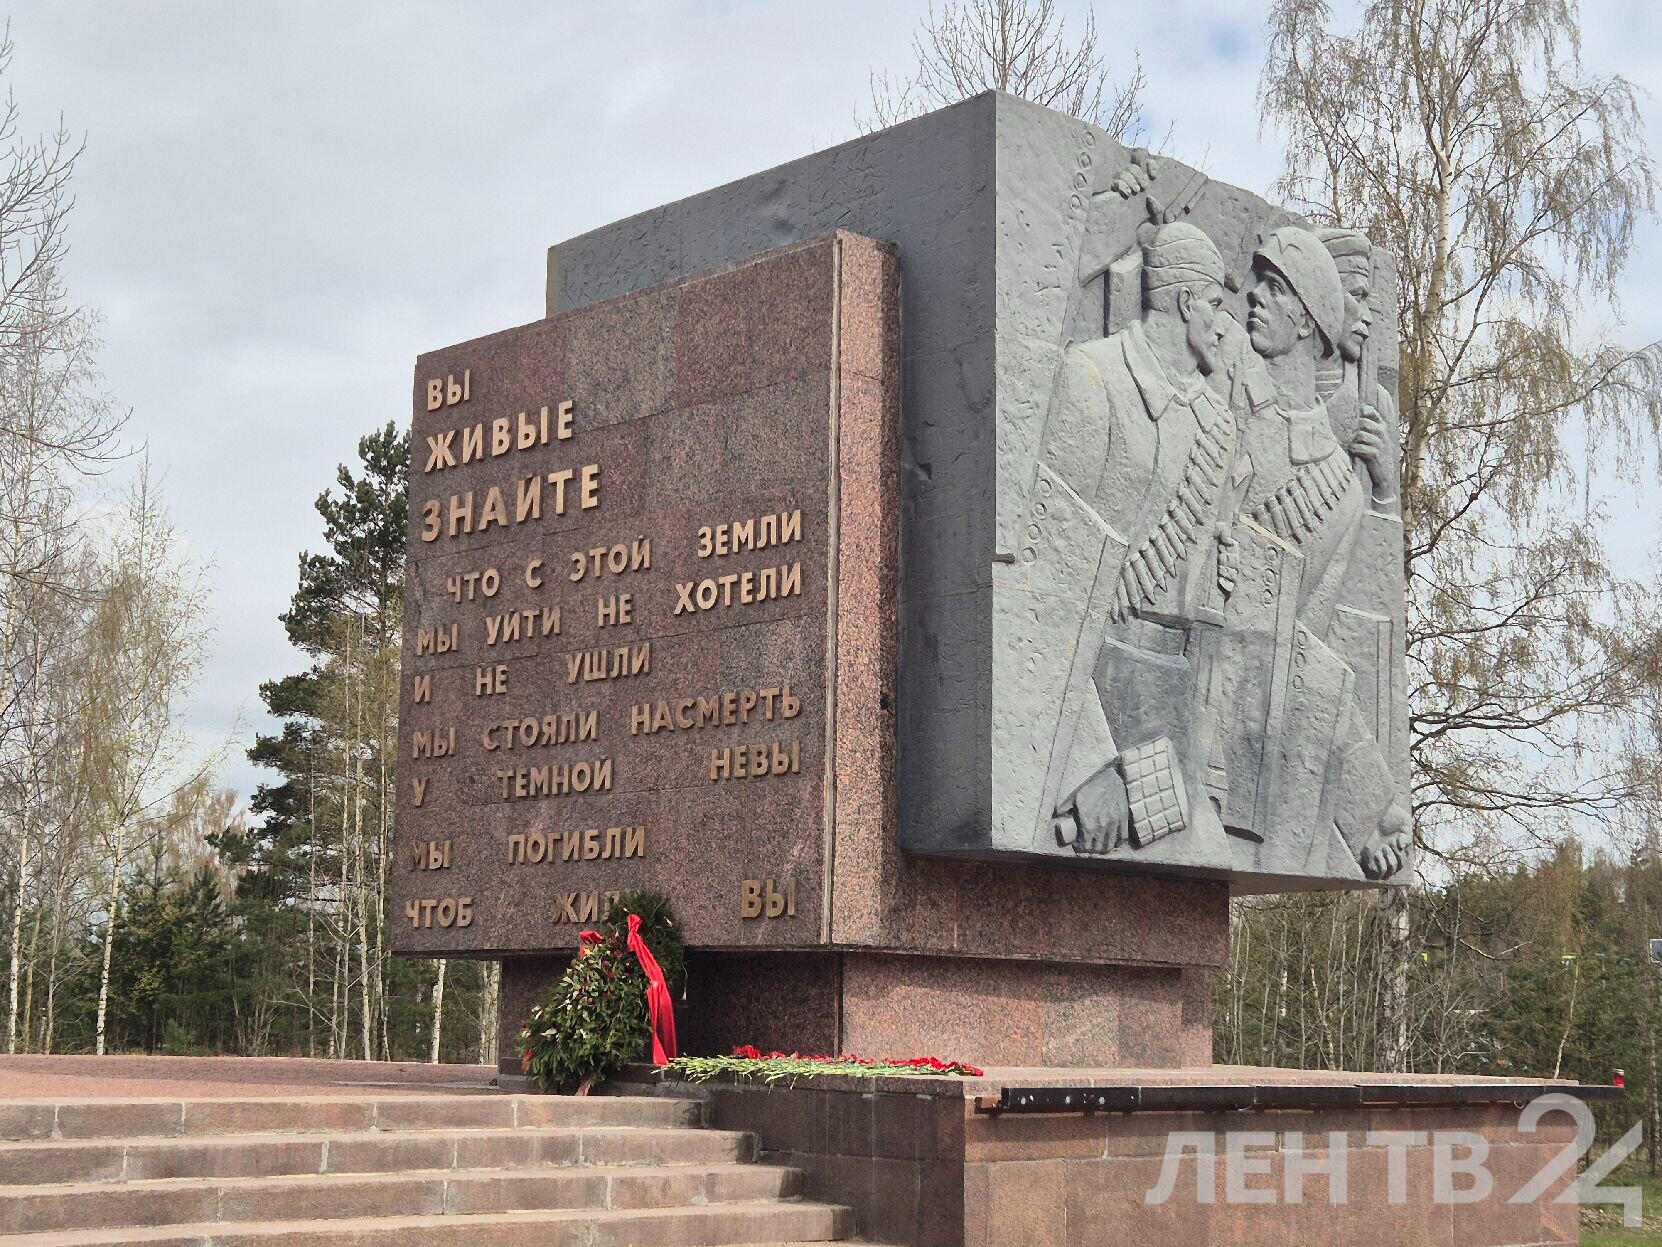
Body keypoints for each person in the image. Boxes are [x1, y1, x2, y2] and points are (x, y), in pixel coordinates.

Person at [1035, 221, 1245, 862]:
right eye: (1215, 305)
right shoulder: (1092, 379)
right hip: (1099, 687)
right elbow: (1044, 586)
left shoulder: (1217, 423)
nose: (1224, 325)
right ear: (1184, 302)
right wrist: (1086, 765)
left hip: (1178, 700)